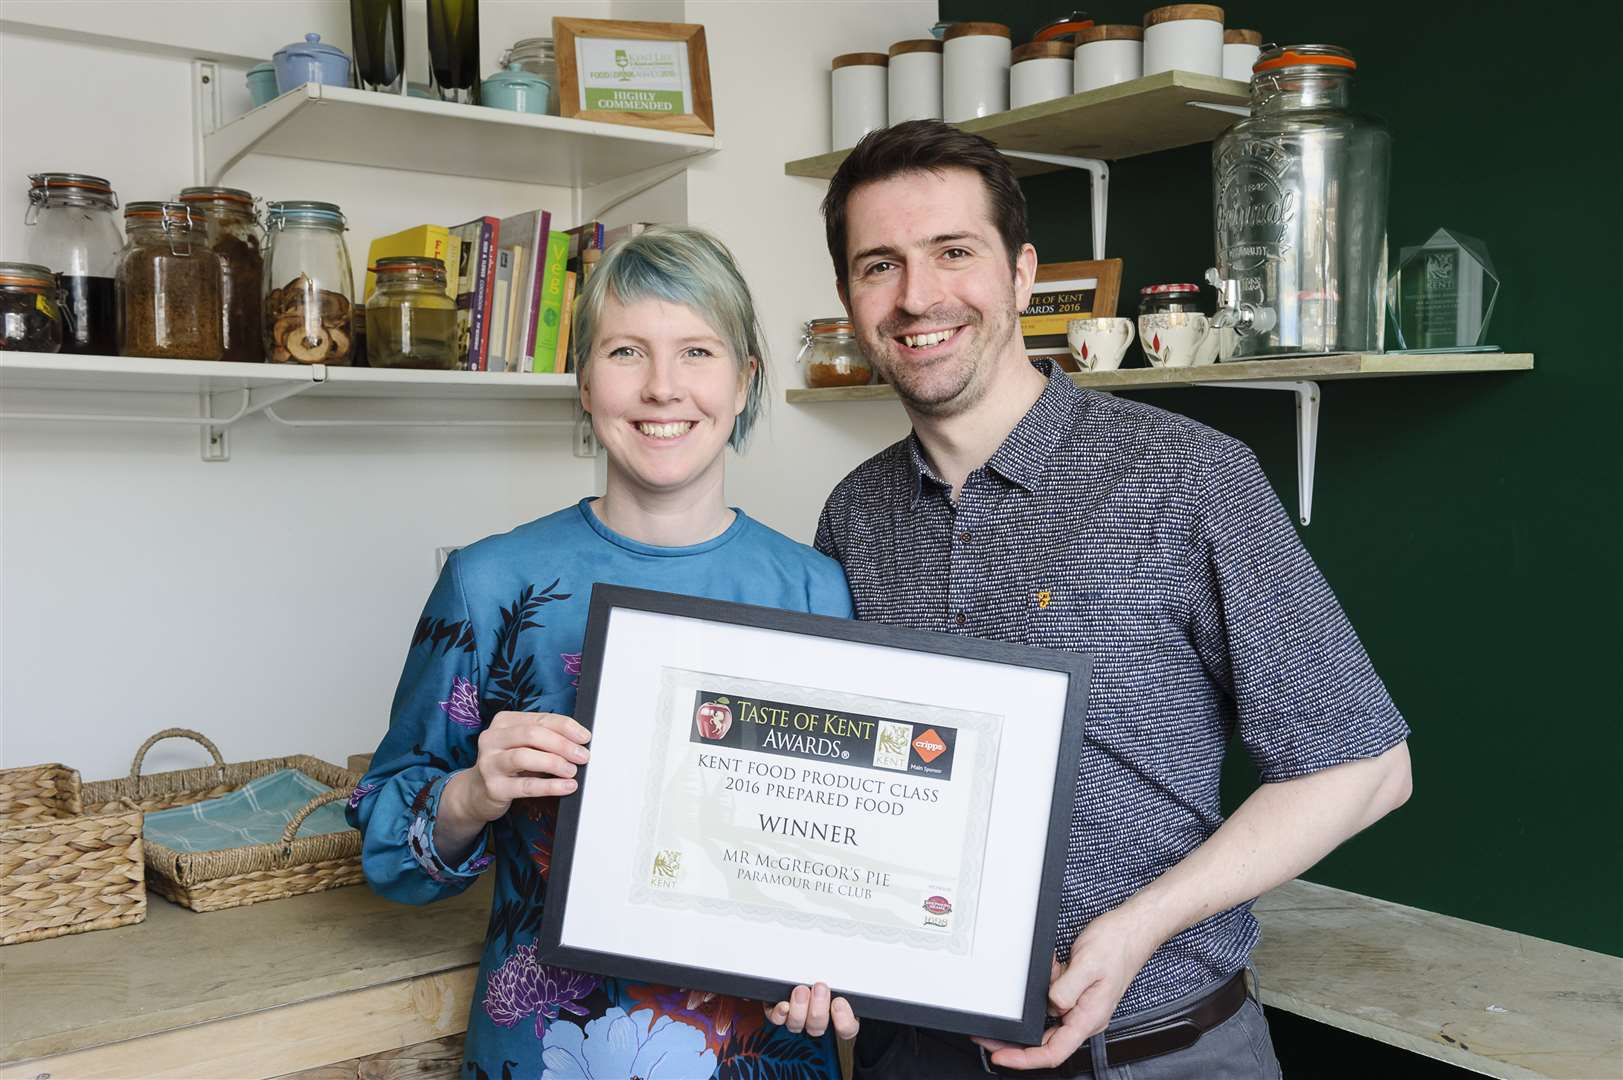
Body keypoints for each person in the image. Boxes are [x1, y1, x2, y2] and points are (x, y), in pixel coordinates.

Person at [812, 119, 1415, 1078]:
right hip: (911, 1055)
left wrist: (1135, 931)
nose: (917, 296)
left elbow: (1367, 769)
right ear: (849, 298)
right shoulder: (854, 513)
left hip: (1157, 1052)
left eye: (952, 253)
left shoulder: (1187, 475)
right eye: (878, 265)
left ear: (1019, 275)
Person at [348, 226, 855, 1079]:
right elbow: (391, 853)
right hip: (546, 1054)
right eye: (626, 351)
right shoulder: (488, 583)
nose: (663, 388)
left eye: (697, 351)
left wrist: (835, 966)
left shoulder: (813, 590)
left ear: (744, 383)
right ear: (585, 382)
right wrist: (473, 792)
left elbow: (840, 846)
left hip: (761, 1051)